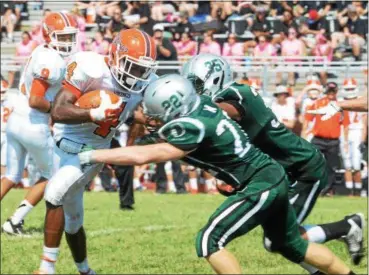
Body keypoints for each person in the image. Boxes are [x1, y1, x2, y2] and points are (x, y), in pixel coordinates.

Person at [79, 74, 358, 275]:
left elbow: (142, 155)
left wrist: (90, 154)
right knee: (290, 243)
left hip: (259, 183)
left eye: (156, 114)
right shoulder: (202, 105)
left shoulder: (190, 127)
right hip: (271, 175)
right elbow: (153, 130)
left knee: (209, 240)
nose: (152, 119)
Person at [181, 54, 365, 269]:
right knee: (280, 240)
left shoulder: (237, 94)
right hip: (283, 169)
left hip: (304, 168)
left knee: (283, 239)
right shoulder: (226, 99)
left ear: (214, 78)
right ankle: (346, 227)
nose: (195, 91)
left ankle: (345, 228)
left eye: (197, 84)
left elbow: (224, 113)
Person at [34, 28, 157, 275]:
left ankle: (46, 269)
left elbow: (133, 116)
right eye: (132, 67)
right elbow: (58, 111)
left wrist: (145, 121)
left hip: (93, 151)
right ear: (114, 55)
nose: (137, 75)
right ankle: (86, 271)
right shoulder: (90, 67)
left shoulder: (144, 85)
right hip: (61, 145)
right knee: (73, 221)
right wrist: (92, 114)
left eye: (142, 70)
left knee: (54, 192)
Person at [1, 12, 79, 235]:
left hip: (17, 118)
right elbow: (37, 100)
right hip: (33, 123)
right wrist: (57, 110)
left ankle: (14, 221)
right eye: (62, 37)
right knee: (54, 175)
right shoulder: (51, 60)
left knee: (11, 175)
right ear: (49, 35)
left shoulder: (41, 51)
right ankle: (15, 221)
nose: (68, 42)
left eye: (70, 37)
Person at [305, 82, 350, 196]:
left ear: (336, 91)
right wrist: (304, 134)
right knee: (313, 163)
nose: (331, 93)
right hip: (318, 139)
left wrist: (345, 142)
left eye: (333, 91)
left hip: (333, 141)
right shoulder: (317, 104)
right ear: (326, 91)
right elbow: (308, 119)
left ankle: (327, 190)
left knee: (331, 166)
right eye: (329, 91)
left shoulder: (341, 105)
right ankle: (312, 187)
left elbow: (345, 125)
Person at [339, 78, 367, 196]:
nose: (350, 91)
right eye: (348, 89)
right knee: (347, 164)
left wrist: (363, 139)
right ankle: (350, 191)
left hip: (357, 131)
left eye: (352, 88)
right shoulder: (340, 101)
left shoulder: (361, 101)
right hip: (344, 132)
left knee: (357, 164)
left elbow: (365, 123)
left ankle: (358, 190)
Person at [0, 78, 11, 176]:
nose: (1, 94)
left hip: (7, 133)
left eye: (3, 92)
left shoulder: (11, 101)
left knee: (4, 161)